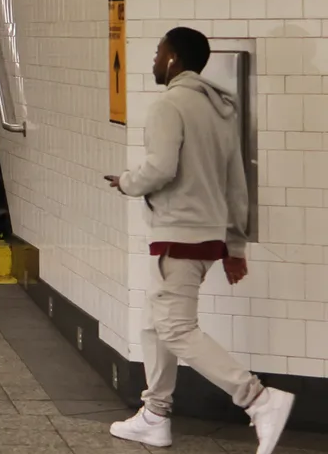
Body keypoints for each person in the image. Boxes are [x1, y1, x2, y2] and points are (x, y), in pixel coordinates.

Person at [107, 27, 293, 454]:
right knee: (155, 325)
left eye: (158, 52)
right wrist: (235, 246)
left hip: (178, 235)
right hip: (206, 237)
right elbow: (235, 184)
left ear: (173, 58)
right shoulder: (220, 110)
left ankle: (258, 399)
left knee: (174, 327)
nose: (154, 60)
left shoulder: (169, 104)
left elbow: (160, 168)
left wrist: (127, 182)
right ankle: (155, 415)